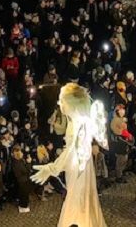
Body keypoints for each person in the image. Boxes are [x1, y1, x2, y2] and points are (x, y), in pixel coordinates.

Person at [31, 83, 108, 227]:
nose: (59, 103)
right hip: (82, 165)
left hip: (77, 167)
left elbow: (70, 152)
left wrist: (51, 168)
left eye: (62, 100)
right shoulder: (80, 121)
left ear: (71, 104)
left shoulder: (76, 125)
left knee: (76, 200)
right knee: (81, 199)